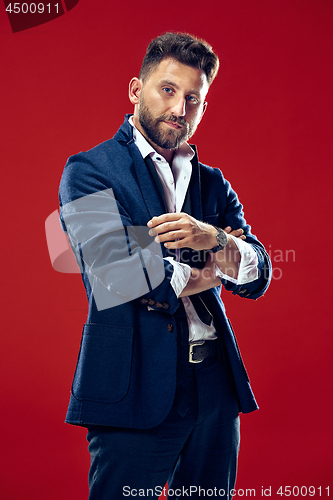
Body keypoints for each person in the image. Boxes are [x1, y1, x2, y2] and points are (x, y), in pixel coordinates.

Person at [59, 32, 271, 499]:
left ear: (204, 108)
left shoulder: (212, 183)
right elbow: (118, 273)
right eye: (168, 90)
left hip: (215, 387)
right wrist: (216, 266)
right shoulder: (89, 171)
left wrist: (208, 236)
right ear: (137, 90)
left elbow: (259, 270)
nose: (180, 108)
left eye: (193, 98)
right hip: (133, 383)